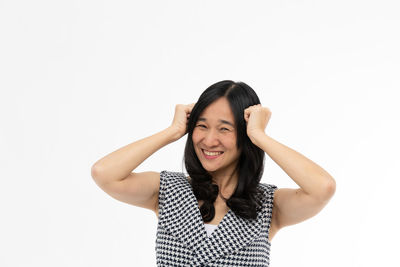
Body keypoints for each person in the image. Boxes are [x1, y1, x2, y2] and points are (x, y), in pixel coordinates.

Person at [91, 80, 336, 266]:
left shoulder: (268, 205)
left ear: (245, 134)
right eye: (202, 126)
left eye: (224, 129)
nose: (210, 140)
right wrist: (172, 131)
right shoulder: (166, 190)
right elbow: (104, 173)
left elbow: (322, 187)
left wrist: (260, 136)